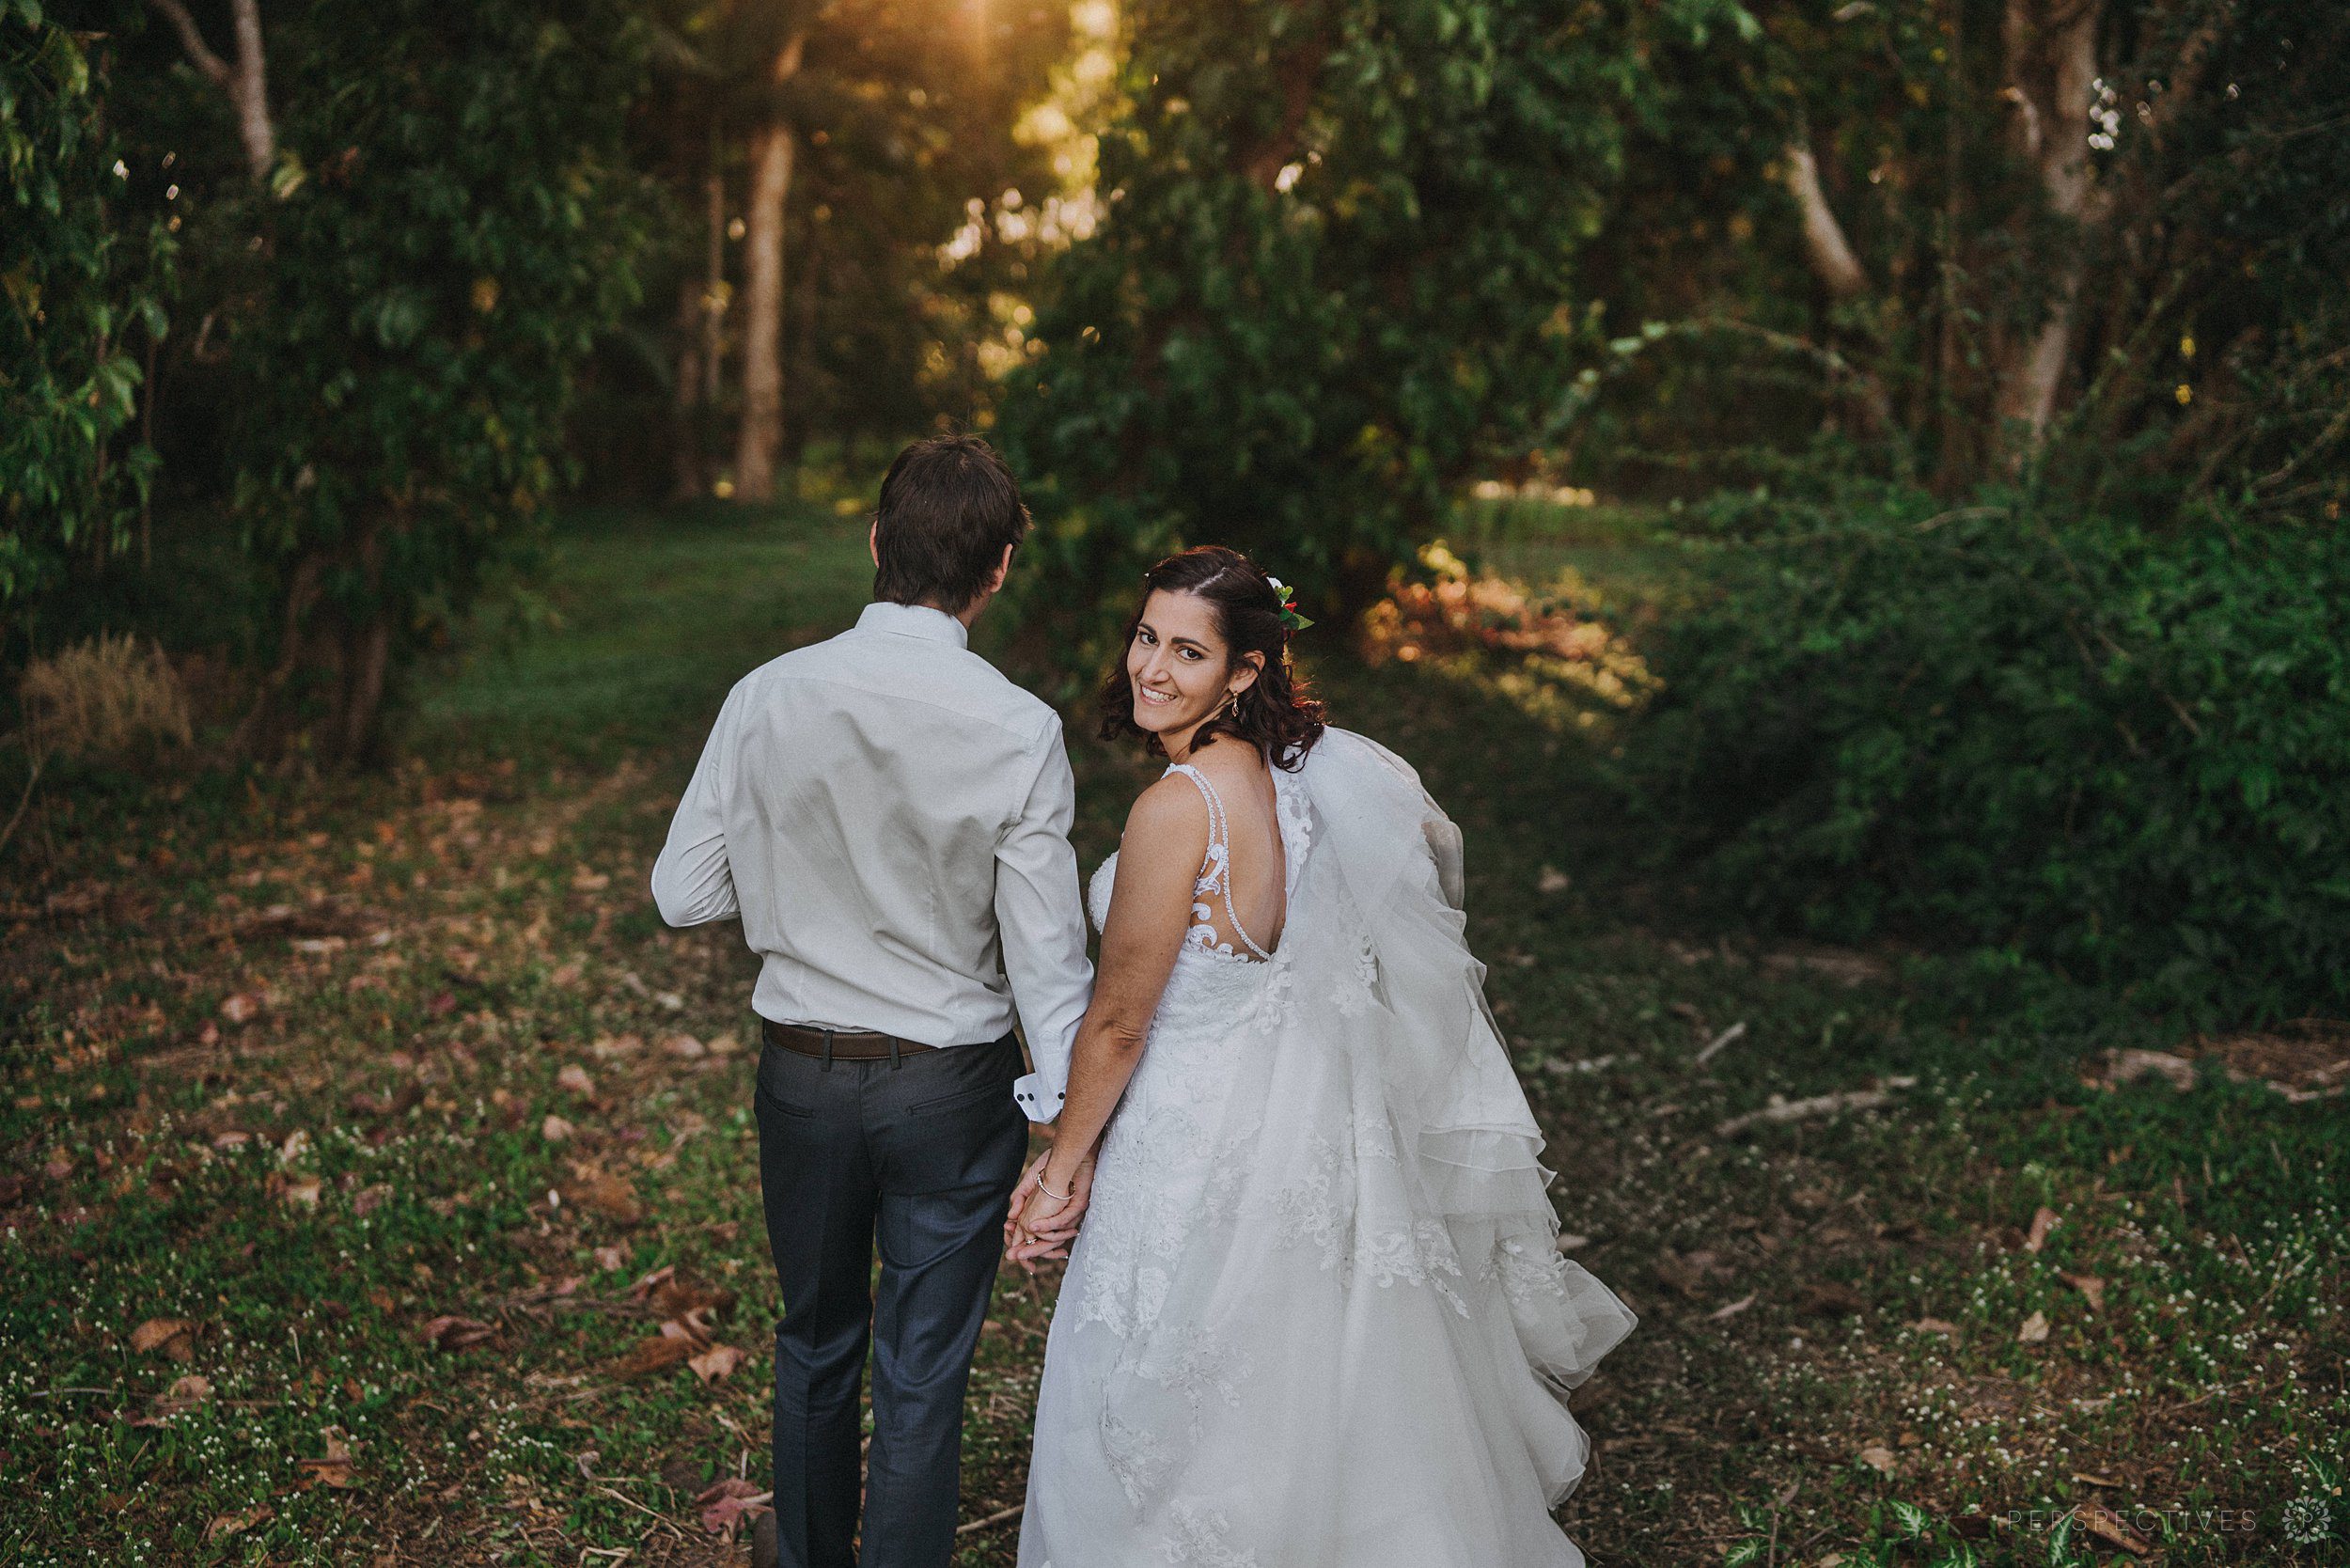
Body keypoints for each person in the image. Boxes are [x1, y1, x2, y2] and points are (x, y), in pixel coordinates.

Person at [1005, 545, 1636, 1568]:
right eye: (1145, 636)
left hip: (1181, 1140)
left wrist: (1059, 1168)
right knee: (1289, 1389)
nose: (1151, 669)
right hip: (1280, 1128)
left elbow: (1119, 1023)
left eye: (1188, 652)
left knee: (1154, 1393)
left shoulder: (1175, 810)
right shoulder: (1289, 786)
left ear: (1245, 671)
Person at [650, 434, 1092, 1568]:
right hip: (951, 1086)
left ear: (874, 541)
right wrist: (1068, 1128)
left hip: (800, 1071)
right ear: (996, 573)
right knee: (921, 1371)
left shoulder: (766, 695)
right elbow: (1047, 966)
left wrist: (810, 865)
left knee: (813, 1342)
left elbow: (682, 892)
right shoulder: (1018, 729)